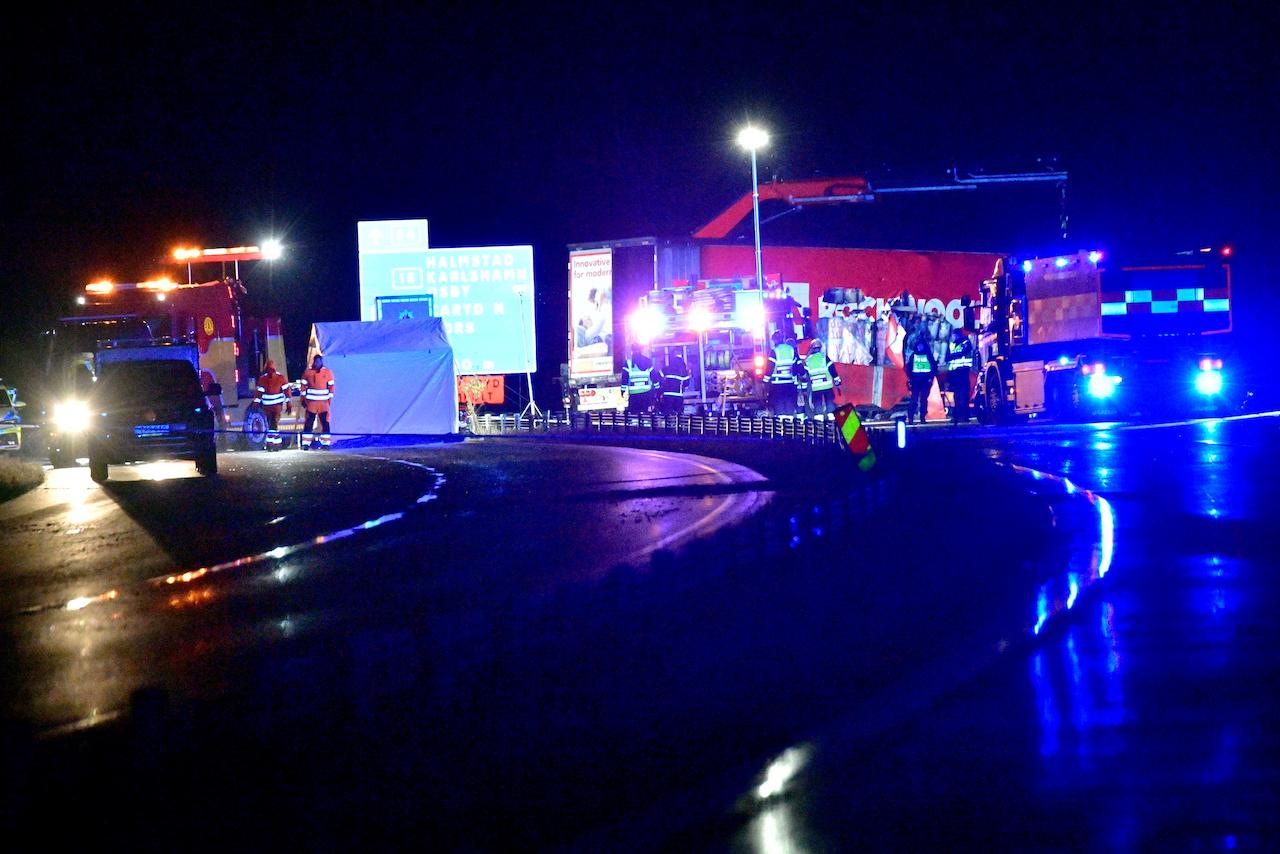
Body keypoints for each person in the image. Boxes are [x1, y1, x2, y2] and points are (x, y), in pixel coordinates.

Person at [300, 354, 336, 449]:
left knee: (325, 423)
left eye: (319, 361)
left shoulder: (328, 372)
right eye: (316, 361)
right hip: (311, 404)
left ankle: (326, 444)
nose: (317, 363)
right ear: (314, 362)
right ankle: (306, 444)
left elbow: (332, 387)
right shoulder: (308, 373)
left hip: (323, 404)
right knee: (309, 423)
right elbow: (303, 386)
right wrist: (303, 399)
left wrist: (329, 401)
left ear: (321, 361)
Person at [254, 359, 290, 450]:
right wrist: (256, 402)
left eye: (271, 370)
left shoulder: (280, 378)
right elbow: (259, 392)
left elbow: (287, 391)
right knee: (271, 424)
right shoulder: (263, 379)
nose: (270, 372)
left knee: (273, 423)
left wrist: (289, 403)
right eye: (269, 370)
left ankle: (270, 443)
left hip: (276, 406)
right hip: (267, 407)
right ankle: (277, 443)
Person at [800, 338, 840, 419]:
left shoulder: (808, 360)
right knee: (830, 405)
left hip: (816, 388)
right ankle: (831, 420)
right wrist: (838, 383)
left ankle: (819, 422)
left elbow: (805, 376)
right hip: (827, 386)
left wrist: (804, 389)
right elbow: (832, 370)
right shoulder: (825, 358)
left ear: (812, 348)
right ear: (820, 347)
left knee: (817, 406)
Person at [766, 331, 799, 417]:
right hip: (789, 384)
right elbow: (796, 365)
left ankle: (782, 424)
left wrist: (765, 381)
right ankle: (790, 423)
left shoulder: (774, 351)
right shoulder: (791, 349)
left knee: (779, 408)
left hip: (777, 385)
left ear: (774, 340)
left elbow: (770, 367)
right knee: (789, 407)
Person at [946, 329, 975, 424]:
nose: (953, 337)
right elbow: (947, 358)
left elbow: (964, 353)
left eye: (954, 335)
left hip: (963, 372)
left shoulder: (965, 343)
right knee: (956, 396)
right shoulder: (952, 345)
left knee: (964, 395)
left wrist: (954, 356)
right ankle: (957, 416)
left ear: (957, 335)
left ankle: (964, 416)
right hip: (955, 374)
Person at [906, 338, 937, 424]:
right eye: (919, 346)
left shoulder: (928, 356)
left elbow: (934, 367)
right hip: (916, 381)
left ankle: (922, 417)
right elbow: (909, 368)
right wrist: (910, 379)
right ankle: (911, 418)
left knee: (924, 400)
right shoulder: (913, 356)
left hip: (925, 381)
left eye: (921, 346)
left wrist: (930, 378)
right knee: (914, 400)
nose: (920, 347)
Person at [623, 345, 656, 414]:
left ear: (632, 351)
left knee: (634, 415)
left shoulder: (628, 363)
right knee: (646, 414)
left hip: (634, 394)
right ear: (641, 350)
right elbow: (654, 376)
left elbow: (625, 378)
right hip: (646, 393)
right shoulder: (647, 361)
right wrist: (657, 388)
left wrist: (622, 390)